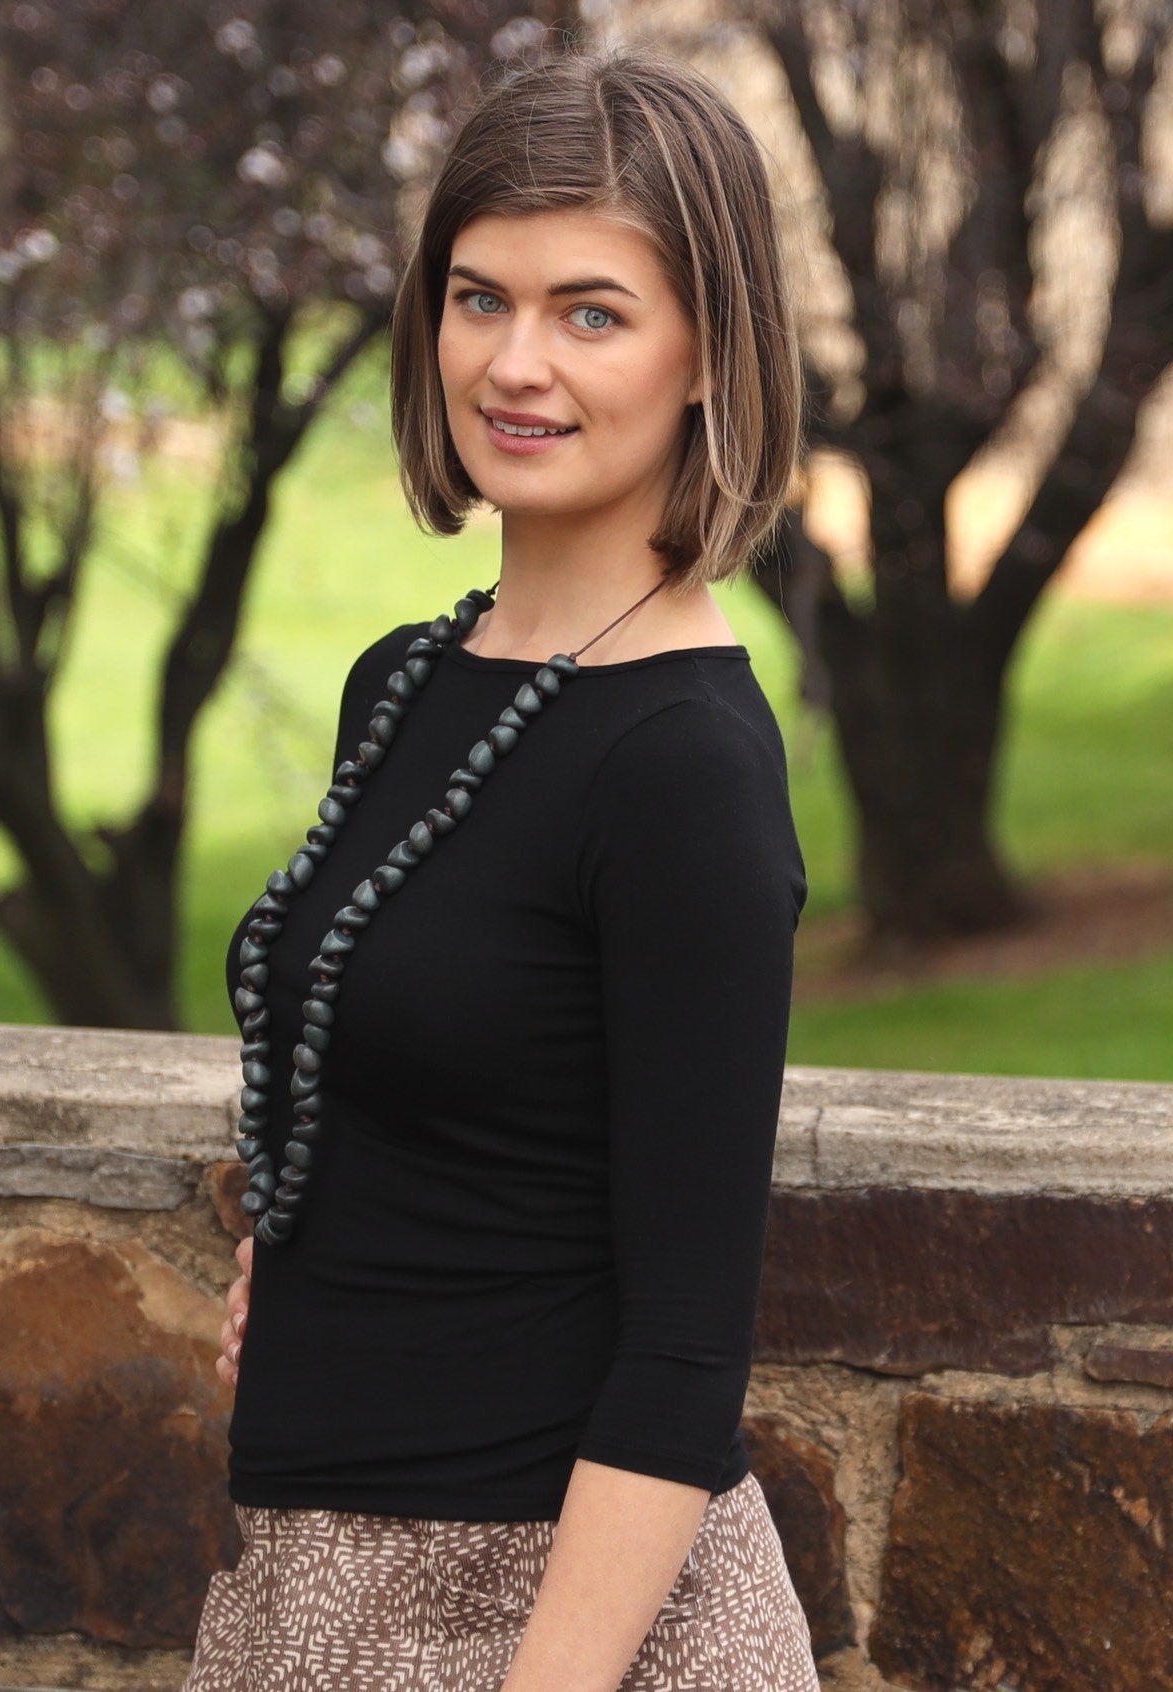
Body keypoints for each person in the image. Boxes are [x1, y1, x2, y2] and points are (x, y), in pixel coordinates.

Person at [181, 38, 816, 1692]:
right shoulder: (405, 683)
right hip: (315, 1577)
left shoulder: (681, 767)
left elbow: (685, 1352)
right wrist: (307, 1258)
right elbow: (434, 1070)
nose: (515, 364)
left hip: (543, 1611)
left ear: (708, 352)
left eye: (591, 313)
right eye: (480, 299)